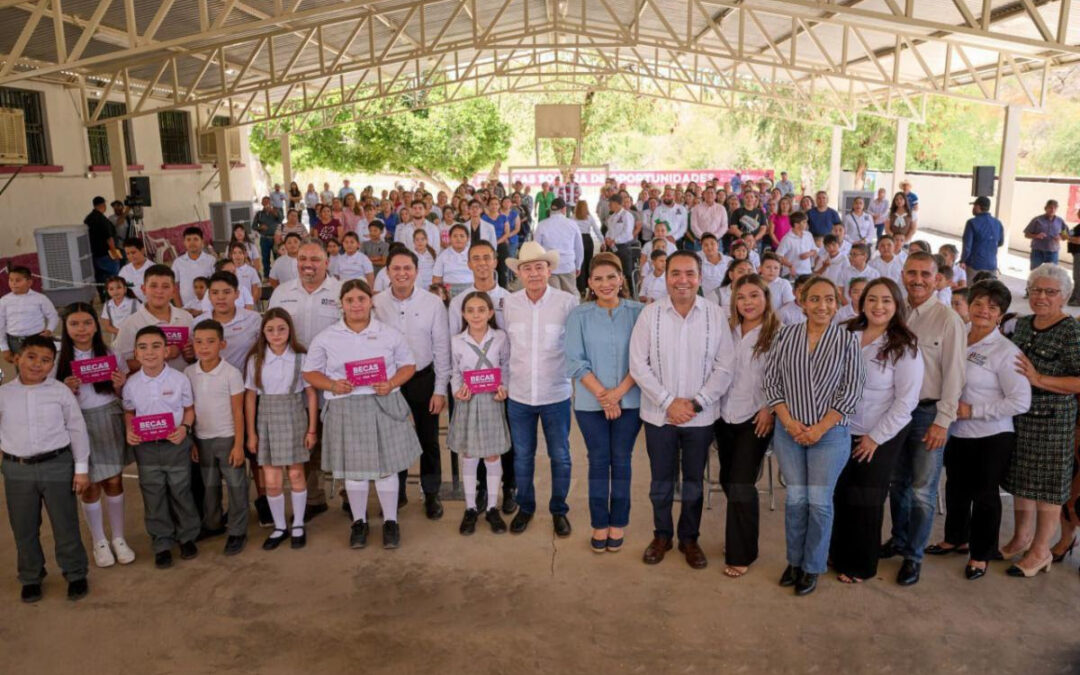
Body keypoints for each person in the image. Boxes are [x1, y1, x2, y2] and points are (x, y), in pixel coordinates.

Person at [630, 251, 734, 569]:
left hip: (700, 417)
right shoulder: (650, 314)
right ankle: (662, 535)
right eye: (676, 273)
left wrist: (696, 402)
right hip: (658, 416)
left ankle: (690, 538)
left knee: (693, 481)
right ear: (665, 277)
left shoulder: (715, 314)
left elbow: (725, 366)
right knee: (661, 480)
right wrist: (668, 402)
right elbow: (638, 363)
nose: (682, 280)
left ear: (700, 278)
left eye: (689, 273)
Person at [764, 276, 864, 595]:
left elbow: (851, 391)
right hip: (788, 430)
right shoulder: (786, 335)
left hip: (831, 434)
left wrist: (819, 428)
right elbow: (771, 382)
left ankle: (812, 566)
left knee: (819, 502)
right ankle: (794, 561)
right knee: (795, 499)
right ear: (803, 303)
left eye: (830, 299)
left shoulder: (848, 341)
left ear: (838, 304)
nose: (823, 306)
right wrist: (790, 423)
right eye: (816, 299)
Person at [304, 280, 421, 550]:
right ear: (341, 304)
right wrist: (332, 385)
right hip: (346, 407)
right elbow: (310, 372)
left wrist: (391, 383)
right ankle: (359, 522)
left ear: (371, 302)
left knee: (386, 468)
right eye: (350, 300)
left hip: (383, 403)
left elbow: (408, 364)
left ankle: (391, 521)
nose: (356, 304)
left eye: (361, 299)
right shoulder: (327, 336)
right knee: (354, 472)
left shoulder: (389, 333)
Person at [925, 280, 1030, 579]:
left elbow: (1020, 401)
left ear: (1001, 315)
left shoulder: (1005, 351)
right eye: (978, 304)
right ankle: (955, 538)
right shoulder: (957, 338)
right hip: (956, 431)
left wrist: (975, 410)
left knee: (984, 495)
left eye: (992, 307)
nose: (984, 311)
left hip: (992, 435)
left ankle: (981, 554)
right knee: (956, 487)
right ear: (969, 306)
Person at [880, 252, 966, 587]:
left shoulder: (948, 320)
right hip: (895, 412)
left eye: (925, 274)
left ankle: (914, 557)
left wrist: (943, 421)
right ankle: (898, 540)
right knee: (897, 483)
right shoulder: (894, 312)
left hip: (928, 413)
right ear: (902, 274)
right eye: (912, 273)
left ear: (937, 278)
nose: (917, 280)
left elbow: (955, 376)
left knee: (922, 490)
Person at [829, 278, 922, 584]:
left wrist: (874, 438)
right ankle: (836, 554)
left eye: (886, 301)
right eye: (872, 299)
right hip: (839, 429)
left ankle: (859, 565)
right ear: (862, 302)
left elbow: (905, 402)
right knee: (840, 494)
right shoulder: (845, 332)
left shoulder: (905, 347)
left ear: (896, 306)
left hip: (879, 434)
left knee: (866, 499)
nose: (878, 306)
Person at [1001, 264, 1080, 576]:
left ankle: (1041, 551)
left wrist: (1040, 378)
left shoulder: (1070, 330)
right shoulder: (1024, 324)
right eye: (1036, 290)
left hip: (1053, 421)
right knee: (1022, 482)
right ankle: (1022, 537)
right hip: (1022, 417)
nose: (1042, 297)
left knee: (1047, 489)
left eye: (1050, 292)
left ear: (1064, 296)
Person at [0, 335, 91, 602]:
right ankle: (31, 576)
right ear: (17, 358)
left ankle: (75, 573)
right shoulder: (4, 393)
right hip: (18, 470)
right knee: (24, 526)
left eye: (45, 360)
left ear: (52, 364)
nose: (37, 365)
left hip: (56, 465)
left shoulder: (59, 391)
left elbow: (76, 428)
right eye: (31, 357)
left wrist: (81, 469)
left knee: (65, 524)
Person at [566, 254, 644, 553]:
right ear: (589, 283)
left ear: (622, 279)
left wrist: (618, 394)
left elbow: (643, 359)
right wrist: (604, 395)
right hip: (589, 403)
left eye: (611, 277)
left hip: (631, 401)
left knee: (621, 460)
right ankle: (599, 523)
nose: (605, 284)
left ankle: (618, 524)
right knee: (598, 461)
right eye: (598, 278)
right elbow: (575, 360)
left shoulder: (639, 312)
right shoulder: (579, 315)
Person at [503, 242, 579, 536]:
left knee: (560, 455)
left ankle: (559, 510)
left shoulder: (567, 302)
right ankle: (526, 507)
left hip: (556, 395)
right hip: (519, 396)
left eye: (539, 267)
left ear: (549, 270)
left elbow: (574, 348)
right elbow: (505, 348)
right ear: (519, 273)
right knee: (523, 456)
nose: (533, 273)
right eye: (527, 268)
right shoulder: (510, 304)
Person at [56, 303, 136, 569]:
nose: (82, 329)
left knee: (113, 481)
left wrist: (119, 385)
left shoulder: (111, 352)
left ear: (96, 325)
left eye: (87, 323)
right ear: (66, 328)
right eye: (75, 324)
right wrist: (64, 389)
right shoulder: (58, 359)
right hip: (78, 425)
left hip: (108, 419)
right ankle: (99, 540)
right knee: (89, 485)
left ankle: (119, 538)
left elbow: (123, 395)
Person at [373, 248, 451, 518]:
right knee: (393, 439)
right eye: (396, 268)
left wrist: (440, 389)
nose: (402, 273)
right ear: (387, 272)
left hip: (423, 379)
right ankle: (398, 493)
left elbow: (441, 348)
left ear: (417, 272)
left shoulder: (432, 303)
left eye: (408, 268)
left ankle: (431, 494)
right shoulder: (377, 303)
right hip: (390, 383)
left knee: (428, 440)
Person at [267, 240, 342, 520]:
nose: (307, 265)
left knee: (340, 437)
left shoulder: (340, 292)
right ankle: (314, 498)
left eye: (314, 259)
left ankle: (349, 496)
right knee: (305, 440)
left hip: (334, 381)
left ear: (327, 262)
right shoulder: (282, 293)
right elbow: (271, 334)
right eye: (302, 259)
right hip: (295, 383)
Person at [713, 274, 778, 577]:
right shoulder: (728, 331)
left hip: (757, 417)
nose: (748, 302)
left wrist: (769, 408)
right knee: (728, 479)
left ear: (766, 298)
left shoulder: (777, 333)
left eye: (754, 295)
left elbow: (783, 377)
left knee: (741, 482)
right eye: (741, 297)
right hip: (725, 415)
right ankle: (741, 535)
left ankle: (742, 553)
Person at [122, 326, 199, 569]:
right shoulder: (132, 384)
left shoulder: (180, 379)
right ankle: (162, 542)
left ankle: (187, 537)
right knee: (153, 494)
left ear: (167, 351)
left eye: (156, 346)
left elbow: (188, 409)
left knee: (181, 491)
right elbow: (129, 412)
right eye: (143, 347)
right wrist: (129, 430)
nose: (150, 352)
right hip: (146, 448)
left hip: (175, 444)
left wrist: (185, 429)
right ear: (135, 352)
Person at [246, 308, 318, 551]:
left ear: (290, 330)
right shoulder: (256, 360)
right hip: (266, 418)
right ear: (263, 332)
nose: (276, 334)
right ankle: (279, 526)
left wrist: (311, 430)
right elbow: (250, 398)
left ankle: (298, 523)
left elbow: (310, 394)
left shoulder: (301, 358)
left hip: (294, 415)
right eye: (270, 330)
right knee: (272, 479)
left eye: (281, 329)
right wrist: (252, 433)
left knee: (296, 474)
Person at [448, 292, 512, 535]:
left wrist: (504, 387)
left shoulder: (500, 337)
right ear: (463, 314)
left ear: (490, 313)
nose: (476, 315)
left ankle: (493, 508)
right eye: (471, 310)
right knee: (469, 455)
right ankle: (471, 507)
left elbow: (505, 365)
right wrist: (456, 391)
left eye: (481, 310)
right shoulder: (457, 341)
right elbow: (455, 371)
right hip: (468, 400)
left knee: (493, 455)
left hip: (492, 401)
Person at [185, 320, 249, 556]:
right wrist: (192, 440)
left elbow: (238, 412)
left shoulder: (231, 373)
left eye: (211, 341)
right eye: (199, 341)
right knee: (209, 486)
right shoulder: (189, 372)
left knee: (236, 485)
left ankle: (237, 530)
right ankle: (212, 524)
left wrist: (239, 445)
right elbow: (188, 408)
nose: (204, 347)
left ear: (222, 344)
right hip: (202, 439)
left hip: (228, 437)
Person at [114, 264, 195, 373]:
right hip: (148, 388)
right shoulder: (130, 324)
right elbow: (123, 364)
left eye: (165, 286)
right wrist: (161, 356)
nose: (159, 291)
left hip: (182, 385)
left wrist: (189, 355)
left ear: (174, 290)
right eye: (153, 286)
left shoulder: (186, 317)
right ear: (143, 289)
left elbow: (193, 355)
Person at [0, 266, 59, 363]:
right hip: (15, 342)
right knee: (22, 370)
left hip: (37, 339)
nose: (13, 283)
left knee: (39, 366)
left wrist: (49, 330)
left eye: (18, 280)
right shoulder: (4, 301)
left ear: (29, 282)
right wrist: (4, 348)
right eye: (10, 280)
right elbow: (0, 325)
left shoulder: (40, 298)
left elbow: (53, 316)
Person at [533, 197, 584, 293]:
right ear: (564, 209)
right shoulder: (572, 224)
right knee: (570, 295)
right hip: (568, 264)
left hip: (549, 266)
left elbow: (536, 247)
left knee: (553, 296)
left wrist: (538, 267)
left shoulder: (542, 225)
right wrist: (578, 265)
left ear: (551, 209)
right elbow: (579, 248)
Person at [85, 196, 122, 300]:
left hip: (94, 253)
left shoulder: (88, 219)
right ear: (102, 205)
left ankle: (102, 295)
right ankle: (113, 295)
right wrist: (114, 252)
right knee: (113, 275)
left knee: (99, 277)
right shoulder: (102, 219)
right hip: (106, 254)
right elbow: (109, 238)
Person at [171, 227, 216, 309]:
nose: (192, 243)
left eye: (195, 239)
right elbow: (174, 287)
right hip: (186, 308)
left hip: (207, 308)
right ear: (184, 242)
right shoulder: (178, 262)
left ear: (202, 241)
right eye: (188, 240)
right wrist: (180, 308)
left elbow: (215, 285)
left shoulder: (211, 260)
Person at [960, 196, 1004, 277]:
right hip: (992, 266)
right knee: (989, 289)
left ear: (978, 206)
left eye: (974, 206)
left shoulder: (972, 223)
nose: (972, 209)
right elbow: (1000, 242)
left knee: (972, 289)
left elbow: (967, 247)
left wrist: (962, 261)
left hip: (974, 266)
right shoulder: (998, 223)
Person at [605, 195, 639, 297]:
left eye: (610, 203)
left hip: (624, 247)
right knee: (614, 271)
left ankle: (632, 294)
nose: (609, 205)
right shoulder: (612, 216)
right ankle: (618, 292)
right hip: (612, 247)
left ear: (616, 203)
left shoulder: (626, 215)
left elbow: (627, 233)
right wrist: (607, 239)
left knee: (626, 272)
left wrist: (615, 240)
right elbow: (609, 230)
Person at [1023, 199, 1068, 269]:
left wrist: (1060, 237)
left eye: (1055, 208)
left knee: (1052, 275)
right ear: (1045, 208)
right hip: (1037, 252)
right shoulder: (1037, 220)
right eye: (1050, 207)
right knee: (1035, 273)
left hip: (1053, 252)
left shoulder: (1060, 221)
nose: (1052, 209)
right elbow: (1026, 234)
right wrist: (1036, 235)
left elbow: (1065, 235)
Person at [574, 200, 604, 295]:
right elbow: (597, 231)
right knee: (588, 263)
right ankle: (590, 286)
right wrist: (602, 241)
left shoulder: (572, 218)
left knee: (580, 264)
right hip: (588, 240)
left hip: (578, 241)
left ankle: (581, 288)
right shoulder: (589, 218)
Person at [775, 211, 816, 277]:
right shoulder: (787, 238)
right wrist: (790, 265)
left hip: (807, 272)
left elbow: (814, 250)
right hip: (791, 274)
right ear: (796, 224)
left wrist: (809, 254)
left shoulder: (808, 235)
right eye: (804, 222)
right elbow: (778, 256)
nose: (807, 224)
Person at [254, 197, 283, 277]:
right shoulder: (259, 214)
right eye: (264, 202)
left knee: (277, 257)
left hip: (275, 238)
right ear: (262, 203)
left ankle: (278, 275)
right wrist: (260, 227)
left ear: (270, 202)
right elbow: (253, 226)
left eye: (268, 201)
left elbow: (281, 220)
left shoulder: (276, 210)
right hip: (264, 238)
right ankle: (267, 275)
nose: (266, 203)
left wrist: (274, 212)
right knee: (265, 258)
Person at [119, 238, 151, 302]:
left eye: (133, 252)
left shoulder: (153, 269)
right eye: (128, 254)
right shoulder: (124, 270)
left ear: (142, 250)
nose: (131, 256)